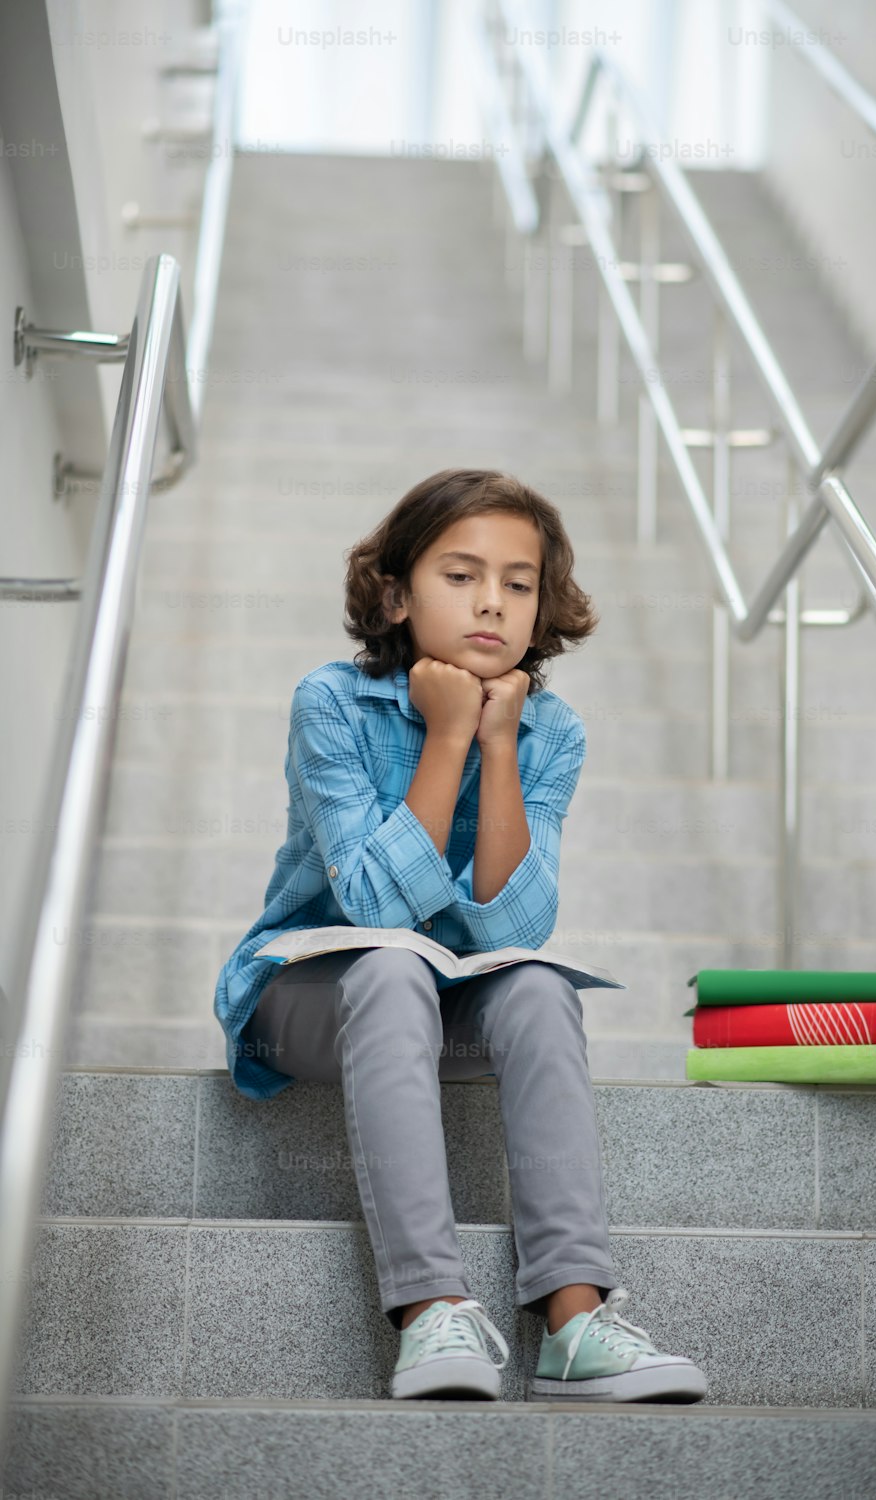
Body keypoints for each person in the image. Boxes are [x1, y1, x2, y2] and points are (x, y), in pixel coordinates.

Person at [214, 467, 707, 1404]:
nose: (493, 601)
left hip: (447, 1007)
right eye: (461, 575)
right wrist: (444, 738)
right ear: (396, 595)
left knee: (538, 985)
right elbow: (372, 907)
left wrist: (496, 745)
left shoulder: (550, 730)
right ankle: (431, 1311)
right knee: (394, 963)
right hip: (307, 1002)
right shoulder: (332, 703)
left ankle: (573, 1320)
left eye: (519, 584)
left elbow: (516, 924)